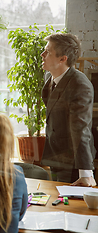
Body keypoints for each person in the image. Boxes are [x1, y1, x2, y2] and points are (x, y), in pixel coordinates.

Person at [41, 33, 96, 186]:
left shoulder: (80, 85)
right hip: (55, 156)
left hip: (74, 162)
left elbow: (81, 129)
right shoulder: (49, 77)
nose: (42, 54)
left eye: (48, 52)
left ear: (62, 59)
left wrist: (85, 172)